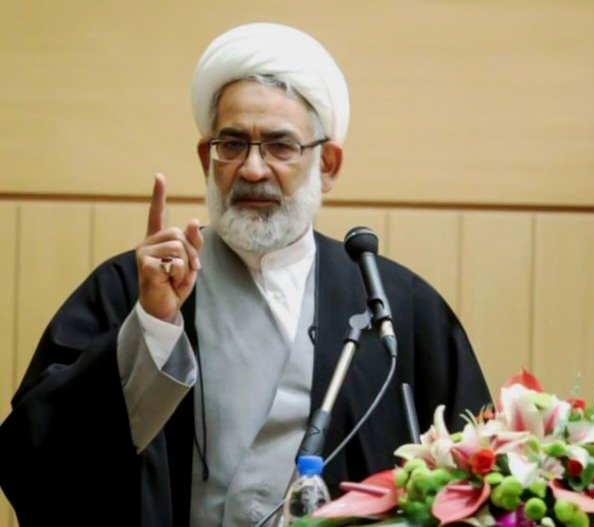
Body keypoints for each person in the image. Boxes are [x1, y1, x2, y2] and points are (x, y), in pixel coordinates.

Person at [0, 23, 491, 527]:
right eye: (232, 145)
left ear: (327, 164)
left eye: (280, 146)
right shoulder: (132, 288)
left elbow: (474, 477)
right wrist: (151, 328)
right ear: (206, 158)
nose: (253, 169)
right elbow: (32, 457)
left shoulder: (396, 306)